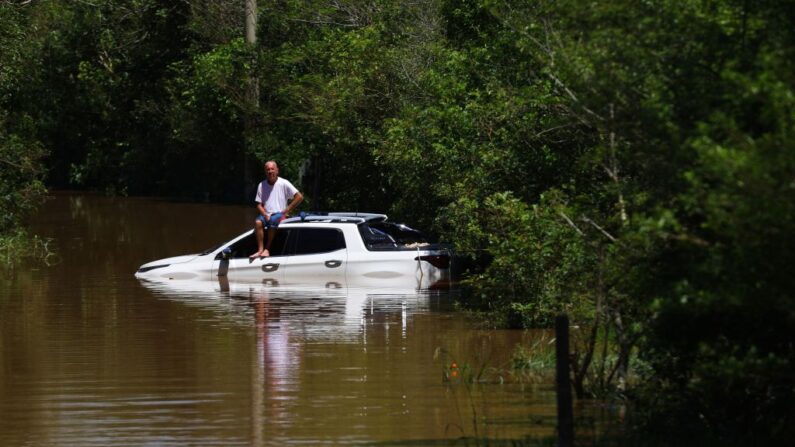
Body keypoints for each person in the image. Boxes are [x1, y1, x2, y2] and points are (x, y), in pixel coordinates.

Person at [250, 160, 303, 258]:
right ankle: (260, 250)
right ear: (265, 172)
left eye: (272, 169)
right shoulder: (262, 185)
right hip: (267, 214)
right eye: (268, 169)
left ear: (277, 170)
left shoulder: (284, 183)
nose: (270, 171)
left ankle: (267, 249)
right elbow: (258, 204)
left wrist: (287, 210)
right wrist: (264, 214)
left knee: (273, 220)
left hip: (280, 214)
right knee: (257, 222)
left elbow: (299, 196)